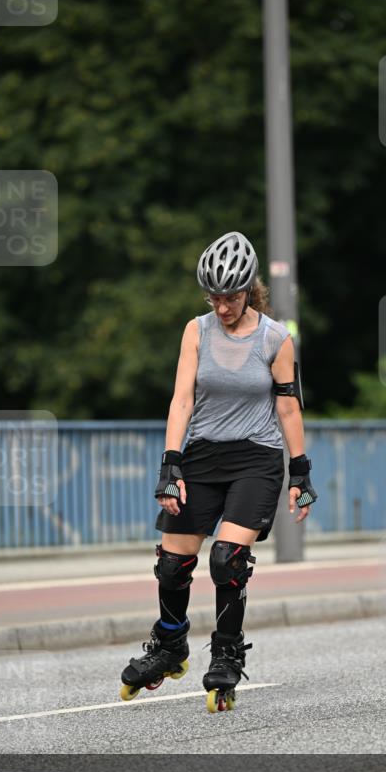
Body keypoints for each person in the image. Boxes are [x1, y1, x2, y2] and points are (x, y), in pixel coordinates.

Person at [120, 231, 318, 712]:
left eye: (230, 296)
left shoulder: (275, 338)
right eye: (213, 296)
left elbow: (289, 409)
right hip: (203, 456)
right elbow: (182, 398)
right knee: (172, 564)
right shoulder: (197, 330)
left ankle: (227, 655)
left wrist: (300, 475)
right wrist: (171, 463)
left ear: (249, 288)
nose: (221, 305)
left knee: (226, 559)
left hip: (256, 459)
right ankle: (170, 646)